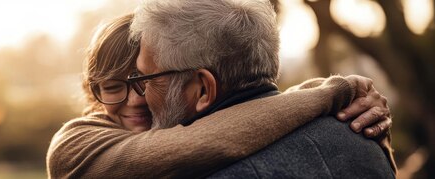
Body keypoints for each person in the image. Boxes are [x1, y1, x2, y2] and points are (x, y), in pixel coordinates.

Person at [46, 13, 394, 178]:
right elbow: (211, 139)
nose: (135, 99)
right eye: (112, 87)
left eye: (145, 80)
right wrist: (334, 92)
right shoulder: (76, 145)